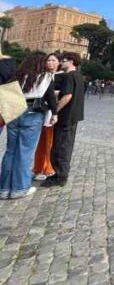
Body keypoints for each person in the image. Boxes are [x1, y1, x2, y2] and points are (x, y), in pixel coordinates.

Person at [0, 54, 57, 199]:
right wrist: (54, 114)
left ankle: (4, 188)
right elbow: (51, 98)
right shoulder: (46, 77)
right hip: (32, 114)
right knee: (24, 153)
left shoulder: (17, 76)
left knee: (10, 151)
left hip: (14, 113)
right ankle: (19, 188)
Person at [43, 51, 85, 188]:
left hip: (65, 117)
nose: (61, 63)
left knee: (60, 147)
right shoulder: (79, 76)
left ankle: (59, 177)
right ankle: (62, 173)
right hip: (74, 116)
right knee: (66, 146)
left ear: (71, 61)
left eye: (64, 60)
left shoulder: (68, 76)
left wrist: (56, 111)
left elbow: (67, 96)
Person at [32, 53, 61, 181]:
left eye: (53, 60)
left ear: (58, 62)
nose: (50, 62)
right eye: (48, 60)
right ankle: (38, 167)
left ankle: (47, 166)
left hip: (53, 112)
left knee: (49, 141)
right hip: (40, 110)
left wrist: (51, 92)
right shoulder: (41, 75)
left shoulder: (61, 76)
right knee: (40, 141)